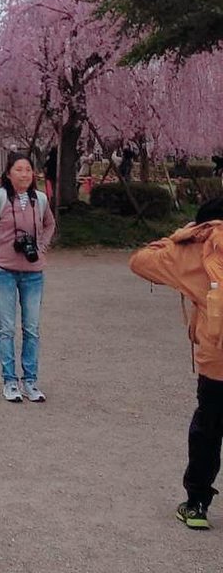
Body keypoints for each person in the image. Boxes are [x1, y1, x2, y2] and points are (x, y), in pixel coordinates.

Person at [129, 197, 223, 530]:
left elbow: (140, 262)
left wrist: (177, 237)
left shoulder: (193, 249)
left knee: (208, 430)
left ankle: (197, 503)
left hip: (217, 363)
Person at [0, 151, 56, 403]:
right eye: (19, 169)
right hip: (4, 271)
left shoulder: (40, 199)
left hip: (33, 273)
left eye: (28, 169)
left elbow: (50, 224)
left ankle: (30, 380)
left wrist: (42, 247)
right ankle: (10, 380)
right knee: (6, 329)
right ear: (8, 173)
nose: (24, 174)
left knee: (32, 329)